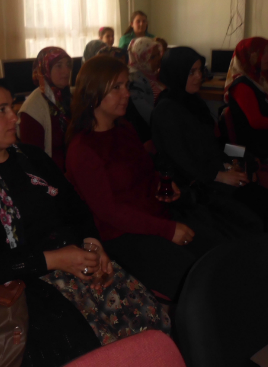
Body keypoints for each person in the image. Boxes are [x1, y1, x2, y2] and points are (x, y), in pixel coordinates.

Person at [0, 77, 170, 367]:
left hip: (74, 261)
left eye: (13, 108)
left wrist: (93, 244)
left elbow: (76, 209)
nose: (14, 117)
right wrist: (57, 259)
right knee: (96, 354)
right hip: (24, 285)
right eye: (1, 110)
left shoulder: (31, 158)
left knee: (149, 323)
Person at [66, 56, 226, 300]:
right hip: (123, 237)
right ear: (94, 93)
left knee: (219, 253)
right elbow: (110, 212)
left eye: (126, 86)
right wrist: (167, 229)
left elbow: (143, 169)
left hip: (155, 218)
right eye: (116, 87)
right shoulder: (82, 149)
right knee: (199, 280)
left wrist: (161, 183)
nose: (126, 94)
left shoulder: (124, 129)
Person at [152, 46, 268, 231]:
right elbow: (182, 159)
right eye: (191, 72)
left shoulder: (194, 102)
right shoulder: (167, 110)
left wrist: (242, 155)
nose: (198, 76)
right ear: (177, 73)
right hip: (197, 186)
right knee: (259, 217)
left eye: (199, 71)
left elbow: (216, 143)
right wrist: (221, 175)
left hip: (215, 173)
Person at [17, 47, 72, 171]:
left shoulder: (67, 97)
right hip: (52, 177)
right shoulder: (32, 109)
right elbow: (33, 160)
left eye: (68, 65)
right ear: (45, 69)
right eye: (59, 66)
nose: (66, 71)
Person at [127, 37, 165, 125]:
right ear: (140, 58)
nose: (158, 59)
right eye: (152, 57)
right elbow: (149, 115)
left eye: (158, 54)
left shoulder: (154, 74)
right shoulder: (134, 80)